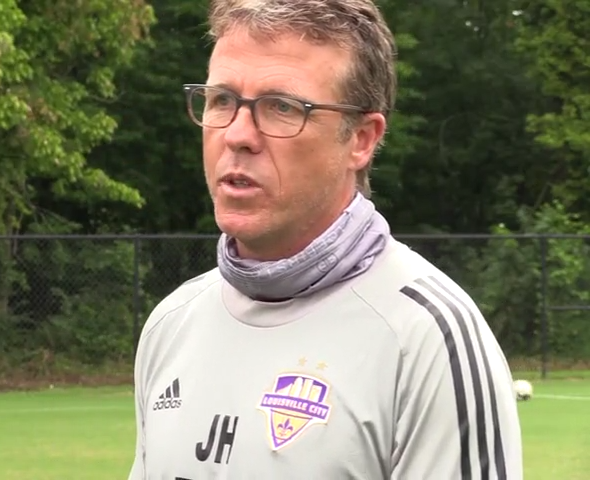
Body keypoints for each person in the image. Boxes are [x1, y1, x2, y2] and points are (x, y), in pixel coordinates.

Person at [128, 0, 524, 479]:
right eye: (222, 100)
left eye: (281, 107)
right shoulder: (171, 323)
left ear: (361, 139)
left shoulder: (427, 337)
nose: (237, 135)